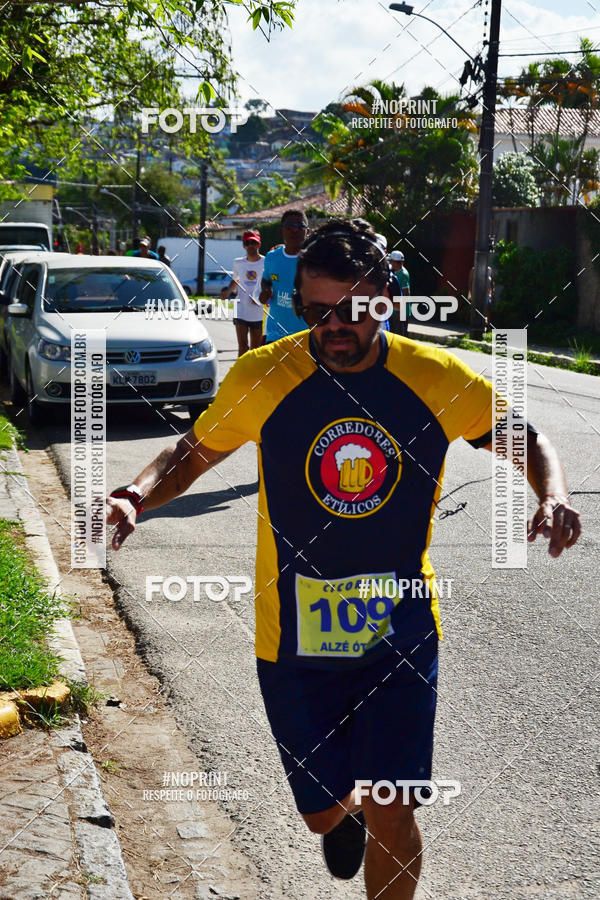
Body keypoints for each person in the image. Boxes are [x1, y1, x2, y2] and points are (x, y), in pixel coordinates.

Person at [106, 218, 581, 900]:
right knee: (322, 811)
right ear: (298, 304)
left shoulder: (435, 378)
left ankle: (375, 812)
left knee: (395, 804)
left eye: (353, 311)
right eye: (318, 311)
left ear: (385, 301)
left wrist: (554, 496)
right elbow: (191, 454)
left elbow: (527, 440)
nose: (335, 326)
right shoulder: (264, 375)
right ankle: (343, 812)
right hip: (294, 638)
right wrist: (134, 495)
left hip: (401, 632)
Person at [258, 209, 308, 343]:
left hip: (305, 336)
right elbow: (266, 280)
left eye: (300, 226)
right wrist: (265, 290)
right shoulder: (272, 257)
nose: (295, 230)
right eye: (290, 226)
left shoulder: (315, 259)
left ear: (307, 232)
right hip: (275, 335)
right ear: (281, 231)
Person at [220, 230, 265, 356]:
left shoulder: (266, 262)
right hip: (241, 310)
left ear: (259, 244)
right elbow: (236, 279)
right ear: (244, 245)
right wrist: (228, 292)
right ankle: (241, 374)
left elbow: (270, 283)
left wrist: (260, 296)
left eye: (253, 242)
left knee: (255, 349)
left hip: (258, 312)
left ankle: (254, 374)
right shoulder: (238, 262)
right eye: (247, 242)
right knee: (242, 346)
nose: (250, 245)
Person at [388, 250, 410, 337]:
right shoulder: (394, 272)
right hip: (394, 311)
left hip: (400, 313)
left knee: (399, 338)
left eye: (391, 261)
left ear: (395, 262)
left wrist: (401, 312)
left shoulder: (403, 274)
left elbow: (406, 293)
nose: (390, 263)